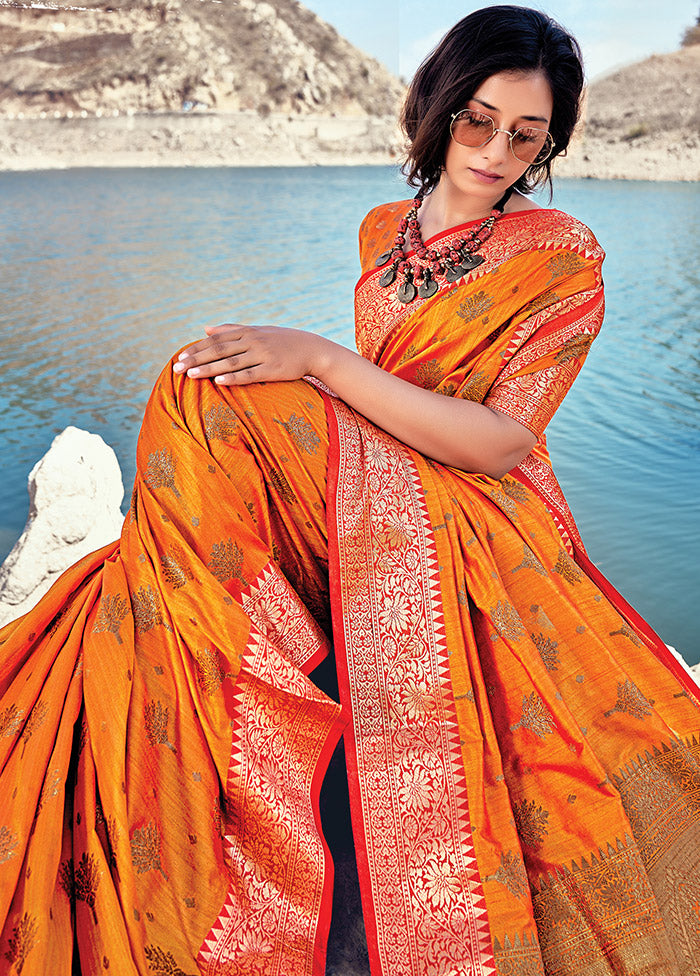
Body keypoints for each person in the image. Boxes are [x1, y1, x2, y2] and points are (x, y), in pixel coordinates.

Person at [1, 5, 699, 975]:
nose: (495, 150)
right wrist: (321, 374)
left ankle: (235, 679)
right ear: (440, 105)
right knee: (203, 384)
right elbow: (380, 394)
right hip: (377, 474)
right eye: (478, 119)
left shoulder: (561, 254)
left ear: (549, 144)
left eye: (525, 135)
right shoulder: (386, 227)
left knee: (217, 391)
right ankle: (214, 683)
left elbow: (502, 442)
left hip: (472, 500)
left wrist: (322, 361)